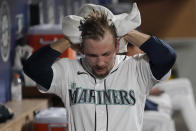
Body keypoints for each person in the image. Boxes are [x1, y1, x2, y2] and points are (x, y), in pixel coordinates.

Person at [23, 10, 176, 131]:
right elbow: (33, 68)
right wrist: (68, 40)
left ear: (117, 46)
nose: (100, 62)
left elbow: (167, 58)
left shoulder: (136, 68)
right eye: (92, 55)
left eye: (106, 53)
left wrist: (127, 32)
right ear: (81, 48)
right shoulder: (68, 71)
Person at [126, 43, 196, 131]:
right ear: (128, 49)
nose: (142, 51)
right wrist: (151, 94)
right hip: (140, 103)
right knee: (183, 85)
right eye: (139, 48)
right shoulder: (122, 63)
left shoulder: (138, 60)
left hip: (149, 94)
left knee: (183, 98)